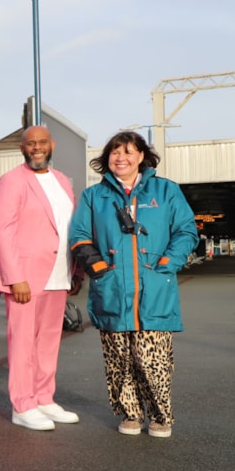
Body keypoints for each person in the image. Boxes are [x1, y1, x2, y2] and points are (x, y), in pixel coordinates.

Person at [70, 131, 198, 438]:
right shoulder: (94, 196)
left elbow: (186, 231)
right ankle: (131, 413)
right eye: (115, 152)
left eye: (128, 152)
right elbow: (80, 237)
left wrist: (167, 264)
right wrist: (100, 268)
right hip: (112, 289)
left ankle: (161, 416)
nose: (121, 158)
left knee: (153, 360)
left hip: (154, 290)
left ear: (142, 156)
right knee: (120, 360)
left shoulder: (165, 191)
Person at [0, 126, 83, 431]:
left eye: (42, 142)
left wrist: (76, 271)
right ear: (23, 148)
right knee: (23, 343)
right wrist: (14, 277)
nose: (37, 148)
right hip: (26, 278)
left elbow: (71, 226)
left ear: (51, 145)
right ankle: (23, 405)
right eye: (31, 144)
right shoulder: (11, 181)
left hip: (58, 273)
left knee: (48, 342)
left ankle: (44, 398)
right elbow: (1, 231)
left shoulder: (61, 182)